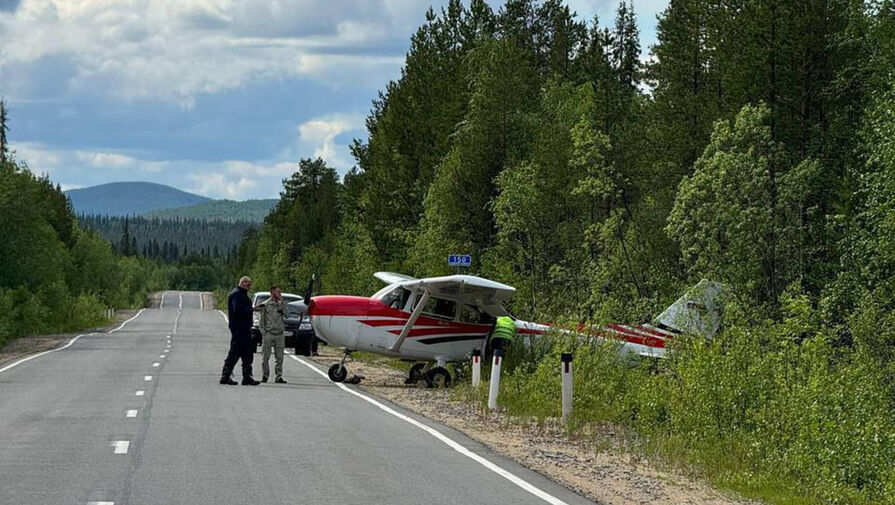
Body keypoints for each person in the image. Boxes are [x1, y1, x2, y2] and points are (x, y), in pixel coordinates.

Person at [220, 276, 260, 386]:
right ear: (242, 283)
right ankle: (225, 375)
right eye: (248, 284)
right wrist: (252, 309)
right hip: (239, 328)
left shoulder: (241, 294)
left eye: (250, 284)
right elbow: (237, 310)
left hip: (244, 327)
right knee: (235, 352)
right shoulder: (237, 294)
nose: (249, 286)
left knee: (247, 353)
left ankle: (247, 377)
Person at [257, 285, 287, 383]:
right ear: (272, 292)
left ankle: (278, 376)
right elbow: (261, 321)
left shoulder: (281, 304)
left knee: (280, 358)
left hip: (279, 333)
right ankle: (265, 375)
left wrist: (282, 303)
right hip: (269, 333)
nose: (280, 294)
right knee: (265, 357)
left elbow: (287, 314)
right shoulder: (265, 304)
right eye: (278, 292)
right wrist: (264, 333)